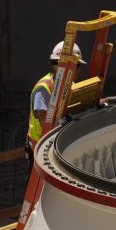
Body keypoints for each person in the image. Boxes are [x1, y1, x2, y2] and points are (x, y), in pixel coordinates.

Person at [25, 42, 86, 176]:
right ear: (63, 66)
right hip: (39, 151)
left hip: (56, 148)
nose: (80, 70)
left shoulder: (69, 85)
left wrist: (109, 101)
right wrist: (65, 122)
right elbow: (46, 124)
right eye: (77, 66)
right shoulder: (44, 88)